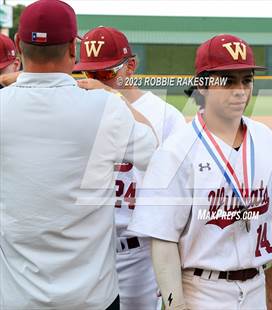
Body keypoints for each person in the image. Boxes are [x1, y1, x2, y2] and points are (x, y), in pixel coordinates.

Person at [0, 1, 157, 309]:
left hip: (18, 296)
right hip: (92, 297)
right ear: (74, 49)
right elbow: (153, 149)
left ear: (18, 44)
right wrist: (111, 94)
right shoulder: (105, 107)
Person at [127, 34, 272, 310]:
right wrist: (175, 304)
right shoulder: (176, 150)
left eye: (246, 80)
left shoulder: (264, 137)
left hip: (255, 285)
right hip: (202, 290)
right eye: (227, 81)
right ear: (202, 85)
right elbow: (163, 238)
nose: (240, 90)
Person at [74, 26, 186, 310]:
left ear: (131, 66)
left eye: (107, 73)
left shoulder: (165, 115)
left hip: (139, 254)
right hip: (88, 249)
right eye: (90, 74)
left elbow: (176, 185)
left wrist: (115, 99)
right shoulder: (78, 108)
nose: (98, 81)